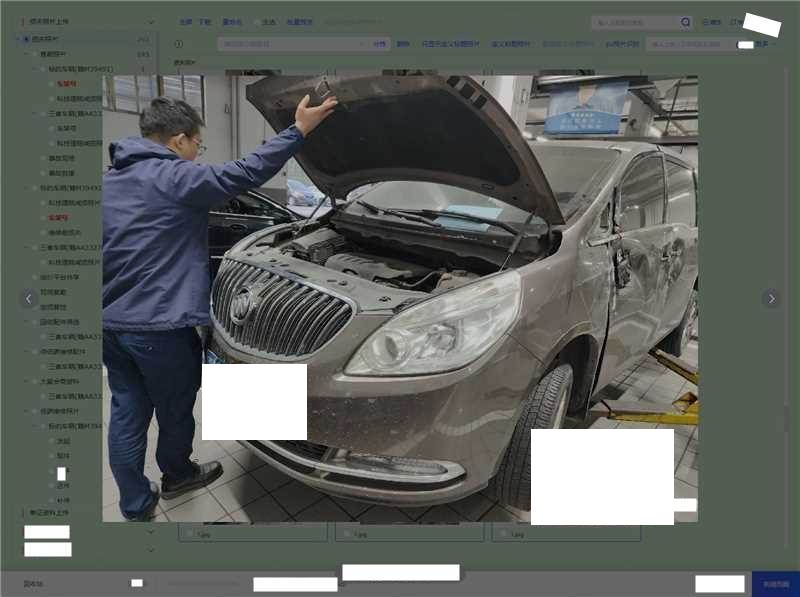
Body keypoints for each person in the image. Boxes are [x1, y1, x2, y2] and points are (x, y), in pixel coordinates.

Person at [102, 92, 337, 521]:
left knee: (127, 411)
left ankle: (134, 504)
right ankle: (178, 476)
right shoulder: (174, 176)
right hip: (160, 326)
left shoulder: (108, 183)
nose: (197, 152)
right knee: (175, 408)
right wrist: (299, 129)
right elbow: (244, 172)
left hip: (111, 326)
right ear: (178, 139)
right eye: (197, 144)